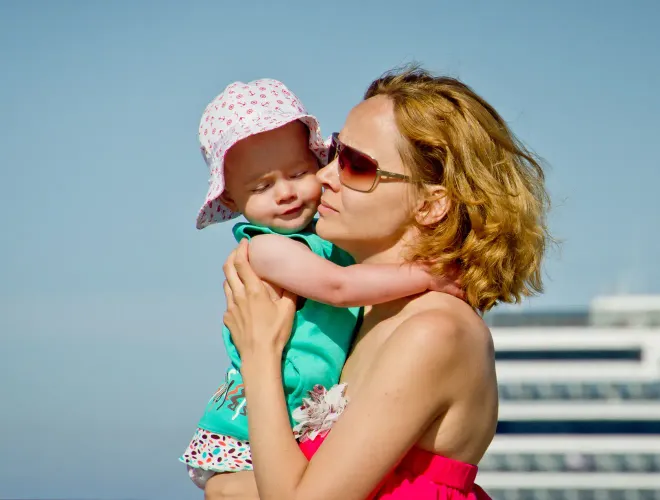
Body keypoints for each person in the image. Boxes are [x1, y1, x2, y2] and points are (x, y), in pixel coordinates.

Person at [211, 65, 552, 499]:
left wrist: (259, 354)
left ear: (431, 205)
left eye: (355, 164)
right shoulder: (364, 319)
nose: (322, 176)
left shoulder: (434, 331)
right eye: (334, 153)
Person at [180, 78, 462, 491]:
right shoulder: (264, 250)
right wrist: (426, 273)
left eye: (298, 173)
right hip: (242, 435)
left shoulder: (325, 240)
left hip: (292, 414)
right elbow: (339, 287)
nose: (285, 193)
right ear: (234, 204)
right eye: (261, 187)